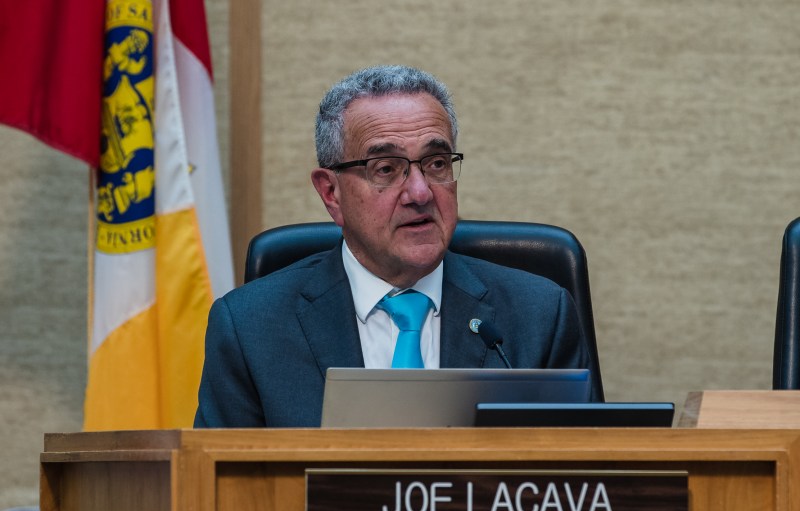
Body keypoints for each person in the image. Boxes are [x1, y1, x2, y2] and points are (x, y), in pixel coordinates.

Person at [194, 65, 593, 428]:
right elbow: (218, 492)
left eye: (436, 163)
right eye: (386, 169)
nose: (420, 192)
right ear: (331, 192)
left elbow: (582, 484)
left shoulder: (539, 315)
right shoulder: (251, 327)